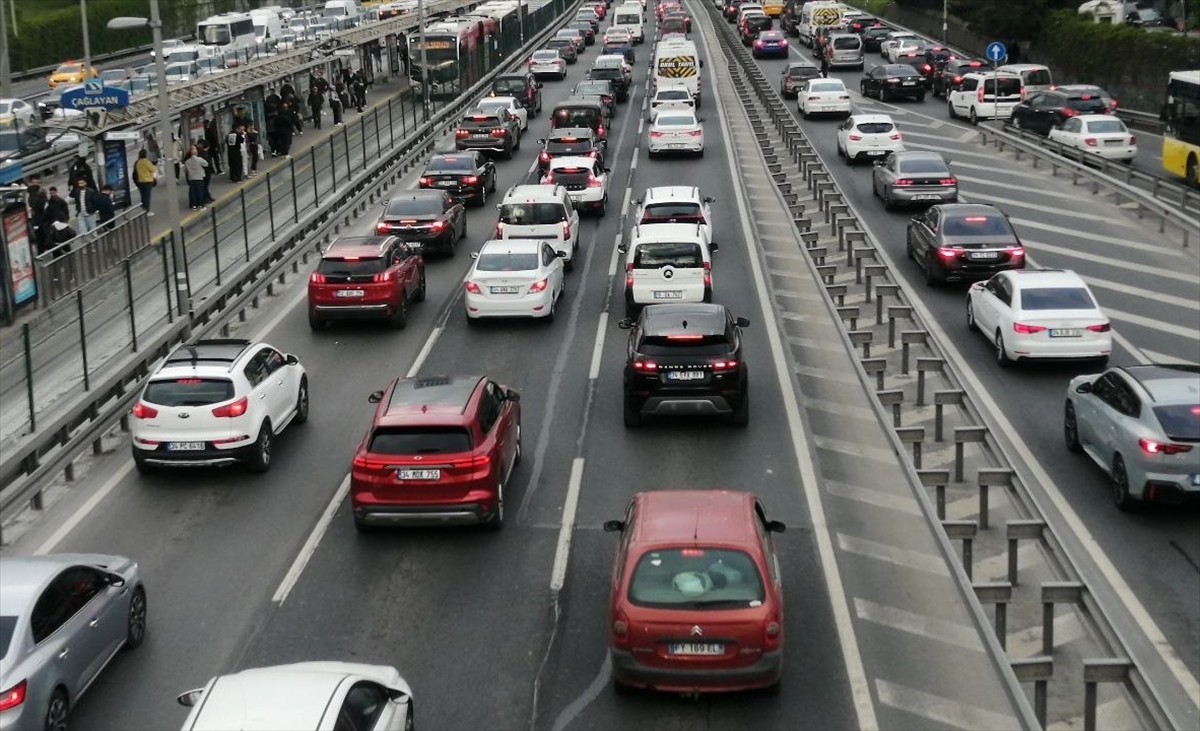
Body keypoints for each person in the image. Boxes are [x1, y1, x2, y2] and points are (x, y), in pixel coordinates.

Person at [132, 149, 157, 215]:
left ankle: (143, 209)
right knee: (147, 197)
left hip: (140, 181)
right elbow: (153, 169)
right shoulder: (146, 161)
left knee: (143, 196)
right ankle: (147, 211)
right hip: (147, 181)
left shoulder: (138, 162)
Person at [183, 145, 209, 210]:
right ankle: (201, 205)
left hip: (191, 178)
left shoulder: (187, 161)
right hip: (199, 177)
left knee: (193, 192)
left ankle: (194, 205)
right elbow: (206, 164)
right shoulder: (199, 159)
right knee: (200, 192)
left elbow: (185, 170)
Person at [26, 176, 48, 250]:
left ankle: (44, 248)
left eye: (37, 183)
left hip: (42, 216)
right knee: (35, 235)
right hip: (32, 217)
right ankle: (40, 250)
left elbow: (45, 204)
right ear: (30, 183)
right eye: (34, 183)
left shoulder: (42, 192)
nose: (36, 185)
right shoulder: (28, 193)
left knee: (43, 233)